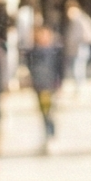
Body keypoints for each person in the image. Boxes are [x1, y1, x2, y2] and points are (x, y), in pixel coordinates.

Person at [23, 26, 66, 155]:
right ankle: (48, 135)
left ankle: (51, 135)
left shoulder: (55, 51)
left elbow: (60, 69)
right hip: (39, 86)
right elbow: (29, 67)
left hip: (49, 85)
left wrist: (59, 85)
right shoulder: (32, 52)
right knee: (44, 112)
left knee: (49, 112)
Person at [61, 0, 91, 100]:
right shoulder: (76, 20)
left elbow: (87, 34)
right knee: (77, 68)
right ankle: (79, 88)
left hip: (80, 48)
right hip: (75, 48)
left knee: (78, 68)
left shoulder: (81, 20)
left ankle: (80, 89)